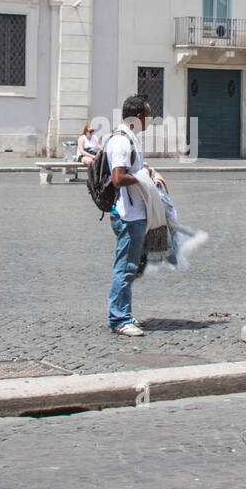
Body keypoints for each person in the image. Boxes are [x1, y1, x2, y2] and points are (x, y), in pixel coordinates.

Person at [105, 95, 149, 336]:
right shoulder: (122, 142)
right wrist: (143, 177)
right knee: (124, 266)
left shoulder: (128, 138)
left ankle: (124, 313)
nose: (150, 120)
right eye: (149, 116)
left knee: (131, 266)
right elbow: (118, 178)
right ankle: (119, 318)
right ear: (139, 117)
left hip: (134, 212)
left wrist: (144, 172)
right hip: (127, 215)